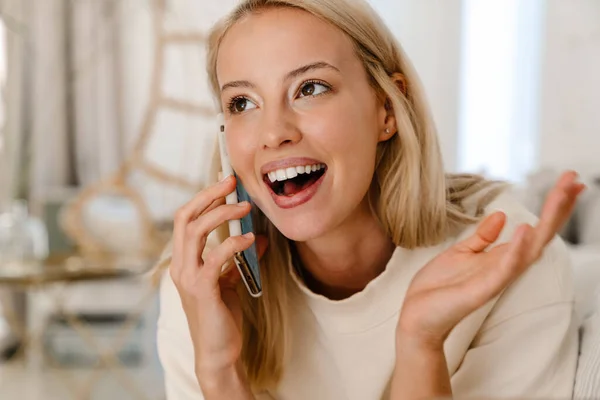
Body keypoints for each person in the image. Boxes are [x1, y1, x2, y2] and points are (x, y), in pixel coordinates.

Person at [156, 0, 585, 398]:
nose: (274, 133)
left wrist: (421, 346)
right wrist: (218, 371)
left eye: (310, 88)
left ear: (386, 109)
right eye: (242, 102)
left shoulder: (509, 257)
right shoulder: (203, 282)